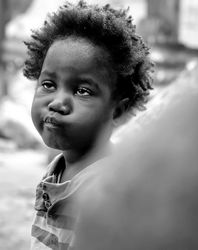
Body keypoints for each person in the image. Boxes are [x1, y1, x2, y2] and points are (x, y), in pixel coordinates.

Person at [23, 1, 154, 249]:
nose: (57, 103)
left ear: (117, 110)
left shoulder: (107, 191)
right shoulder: (58, 168)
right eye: (48, 84)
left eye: (82, 91)